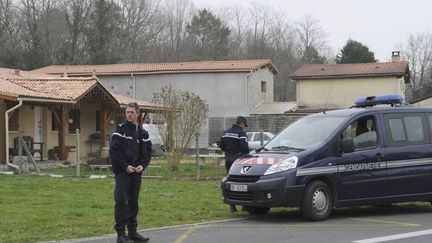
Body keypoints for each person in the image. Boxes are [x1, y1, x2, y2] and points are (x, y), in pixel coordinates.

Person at [109, 102, 152, 243]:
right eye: (127, 112)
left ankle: (132, 233)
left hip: (136, 173)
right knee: (121, 201)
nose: (129, 114)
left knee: (133, 202)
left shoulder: (143, 133)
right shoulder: (120, 130)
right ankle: (121, 235)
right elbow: (114, 151)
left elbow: (148, 153)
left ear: (138, 114)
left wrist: (142, 166)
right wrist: (125, 166)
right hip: (122, 172)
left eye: (132, 112)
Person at [220, 116, 250, 213]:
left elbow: (221, 146)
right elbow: (245, 147)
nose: (244, 127)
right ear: (241, 124)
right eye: (244, 125)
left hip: (228, 159)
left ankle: (232, 206)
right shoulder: (241, 133)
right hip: (238, 160)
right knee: (243, 182)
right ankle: (245, 205)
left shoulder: (226, 132)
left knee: (230, 181)